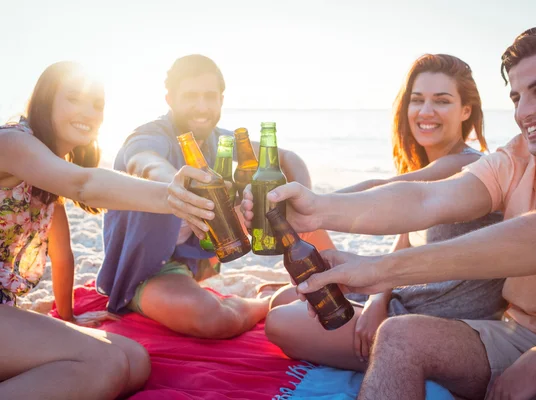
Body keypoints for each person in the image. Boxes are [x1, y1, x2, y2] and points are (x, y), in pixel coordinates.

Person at [241, 19, 536, 400]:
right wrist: (316, 209)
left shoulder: (467, 155)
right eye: (516, 98)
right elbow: (425, 198)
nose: (524, 112)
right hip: (519, 334)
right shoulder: (512, 160)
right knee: (398, 334)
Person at [263, 54, 505, 370]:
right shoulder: (426, 168)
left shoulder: (469, 164)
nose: (426, 111)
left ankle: (392, 357)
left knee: (280, 322)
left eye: (441, 101)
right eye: (417, 100)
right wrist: (378, 297)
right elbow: (403, 245)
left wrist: (304, 204)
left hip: (439, 316)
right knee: (281, 299)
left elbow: (381, 184)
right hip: (406, 296)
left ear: (466, 110)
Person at [0, 61, 214, 399]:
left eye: (97, 105)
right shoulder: (11, 144)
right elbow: (84, 184)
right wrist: (173, 196)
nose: (89, 111)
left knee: (133, 359)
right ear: (45, 100)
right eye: (73, 99)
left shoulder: (46, 171)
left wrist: (68, 316)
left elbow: (62, 252)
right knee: (105, 366)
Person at [97, 54, 333, 339]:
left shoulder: (217, 138)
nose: (202, 106)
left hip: (198, 256)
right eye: (191, 96)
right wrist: (171, 181)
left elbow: (286, 157)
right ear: (170, 99)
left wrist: (300, 199)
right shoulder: (150, 135)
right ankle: (268, 301)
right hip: (147, 268)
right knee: (211, 319)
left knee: (301, 210)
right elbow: (143, 161)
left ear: (221, 99)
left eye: (210, 96)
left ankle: (333, 282)